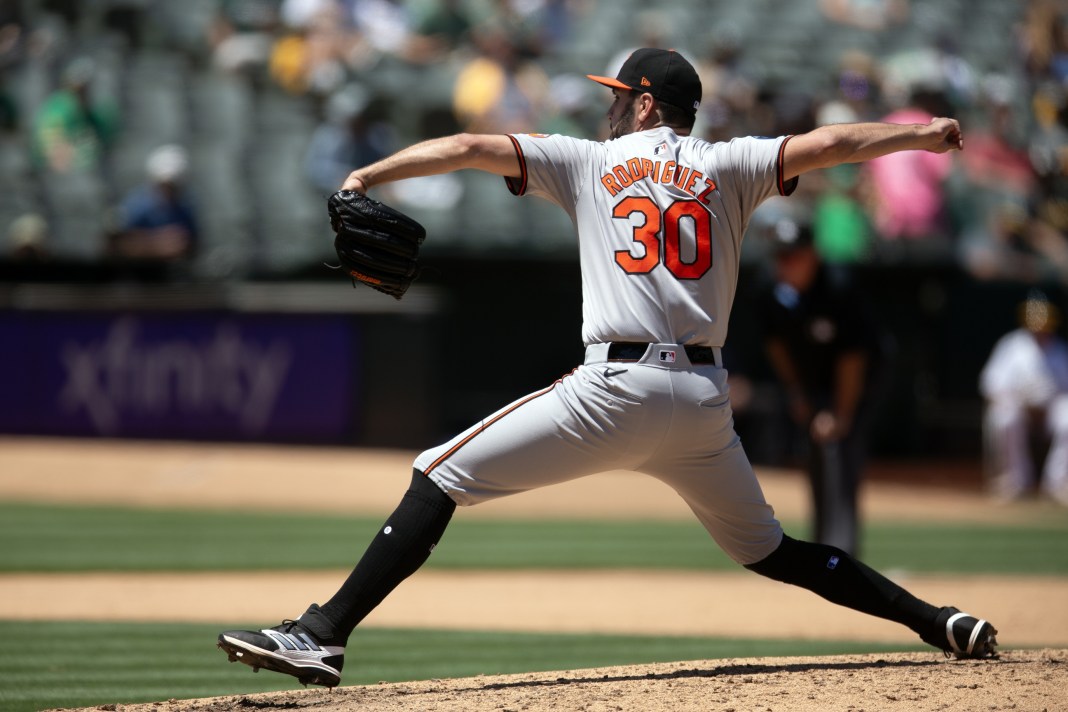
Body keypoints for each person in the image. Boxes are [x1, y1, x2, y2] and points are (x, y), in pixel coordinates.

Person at [217, 48, 998, 688]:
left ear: (649, 103)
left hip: (614, 388)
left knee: (437, 473)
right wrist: (920, 134)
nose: (611, 104)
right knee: (773, 552)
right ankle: (940, 623)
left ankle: (321, 634)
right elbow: (832, 144)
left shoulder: (586, 161)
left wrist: (365, 178)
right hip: (700, 400)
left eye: (621, 94)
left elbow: (467, 147)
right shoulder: (731, 165)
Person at [759, 218, 893, 556]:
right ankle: (822, 547)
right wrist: (798, 394)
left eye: (794, 255)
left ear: (813, 255)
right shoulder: (769, 288)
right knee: (816, 453)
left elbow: (853, 359)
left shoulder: (838, 287)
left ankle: (844, 551)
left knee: (843, 449)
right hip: (812, 375)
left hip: (862, 376)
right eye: (781, 256)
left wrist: (842, 413)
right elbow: (776, 347)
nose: (786, 264)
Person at [980, 292, 1068, 505]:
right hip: (1019, 409)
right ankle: (1016, 482)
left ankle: (1058, 484)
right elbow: (990, 385)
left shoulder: (1059, 349)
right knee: (1006, 416)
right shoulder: (1012, 345)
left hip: (1049, 411)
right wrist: (1016, 402)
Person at [108, 144, 199, 261]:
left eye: (174, 186)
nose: (169, 190)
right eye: (165, 185)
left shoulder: (185, 207)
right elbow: (115, 244)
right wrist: (156, 245)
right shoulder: (136, 206)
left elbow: (193, 243)